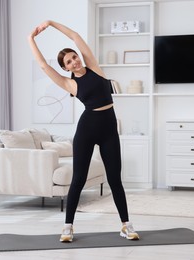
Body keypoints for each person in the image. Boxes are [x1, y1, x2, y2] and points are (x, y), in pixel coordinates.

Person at [28, 20, 139, 243]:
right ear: (65, 68)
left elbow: (75, 36)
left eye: (74, 56)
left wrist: (50, 23)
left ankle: (126, 225)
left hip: (109, 129)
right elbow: (42, 65)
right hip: (87, 130)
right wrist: (31, 38)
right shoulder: (70, 85)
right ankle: (68, 227)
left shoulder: (94, 67)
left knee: (115, 179)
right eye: (69, 62)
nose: (74, 61)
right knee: (78, 178)